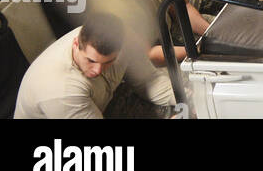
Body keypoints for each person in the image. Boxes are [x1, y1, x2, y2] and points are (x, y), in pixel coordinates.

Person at [14, 12, 174, 119]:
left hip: (99, 105)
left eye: (109, 62)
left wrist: (187, 98)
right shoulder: (61, 90)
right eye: (91, 60)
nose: (97, 70)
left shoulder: (124, 39)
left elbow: (148, 80)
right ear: (76, 43)